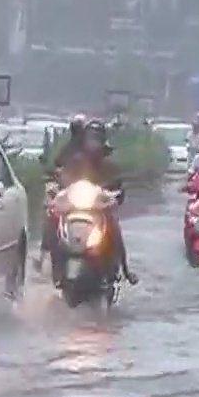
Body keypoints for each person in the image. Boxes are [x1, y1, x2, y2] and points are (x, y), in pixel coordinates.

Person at [58, 120, 138, 286]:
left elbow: (119, 187)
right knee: (55, 225)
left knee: (114, 228)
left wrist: (116, 195)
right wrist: (57, 190)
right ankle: (54, 267)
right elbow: (63, 179)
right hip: (76, 209)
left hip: (99, 211)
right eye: (90, 139)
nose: (93, 144)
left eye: (96, 139)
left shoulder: (109, 166)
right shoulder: (75, 161)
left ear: (102, 143)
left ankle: (125, 269)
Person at [36, 114, 90, 273]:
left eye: (80, 130)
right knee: (52, 216)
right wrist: (55, 175)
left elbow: (106, 169)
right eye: (76, 129)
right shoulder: (67, 149)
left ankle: (122, 267)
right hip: (69, 195)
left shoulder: (93, 151)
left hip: (89, 196)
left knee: (110, 221)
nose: (78, 133)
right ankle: (43, 254)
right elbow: (56, 166)